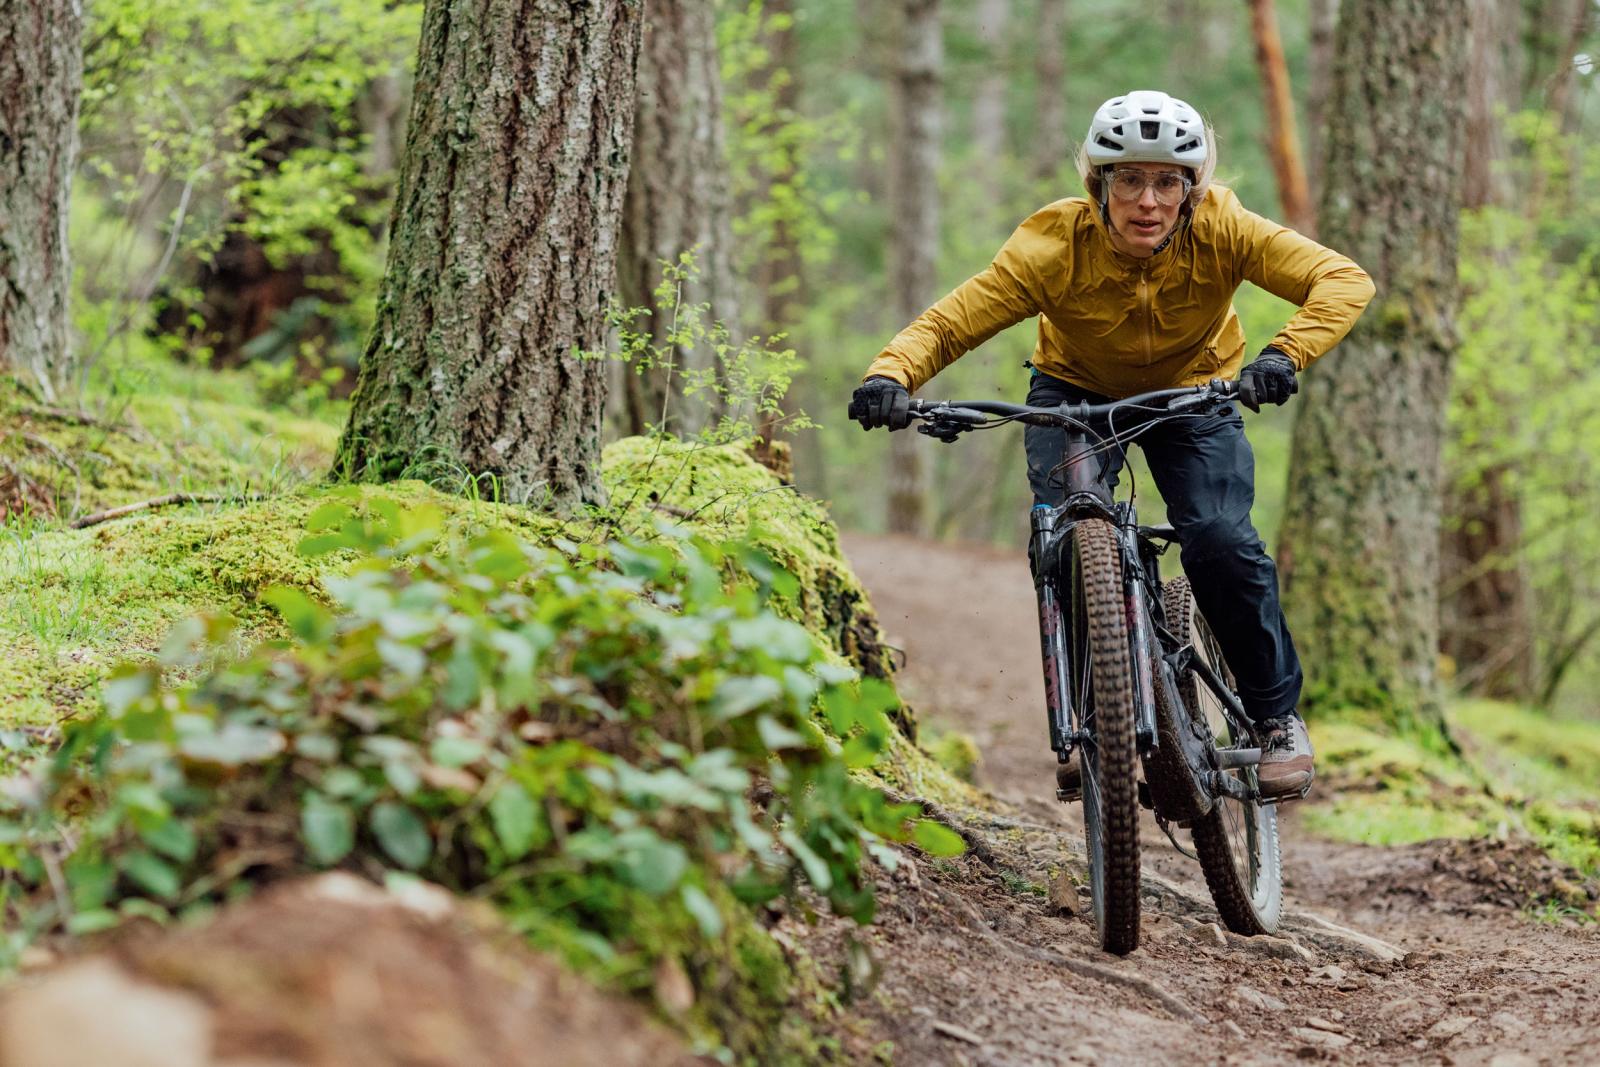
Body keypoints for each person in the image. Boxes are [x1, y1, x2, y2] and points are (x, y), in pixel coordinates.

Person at [847, 90, 1374, 798]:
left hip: (1196, 393)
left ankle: (1275, 717)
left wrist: (1283, 355)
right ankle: (1091, 715)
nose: (1147, 201)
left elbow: (1342, 279)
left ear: (1192, 191)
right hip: (1074, 393)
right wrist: (890, 375)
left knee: (1220, 538)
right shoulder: (1053, 245)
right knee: (1065, 532)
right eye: (1129, 179)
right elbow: (949, 323)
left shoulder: (1224, 228)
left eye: (1167, 182)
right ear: (1099, 184)